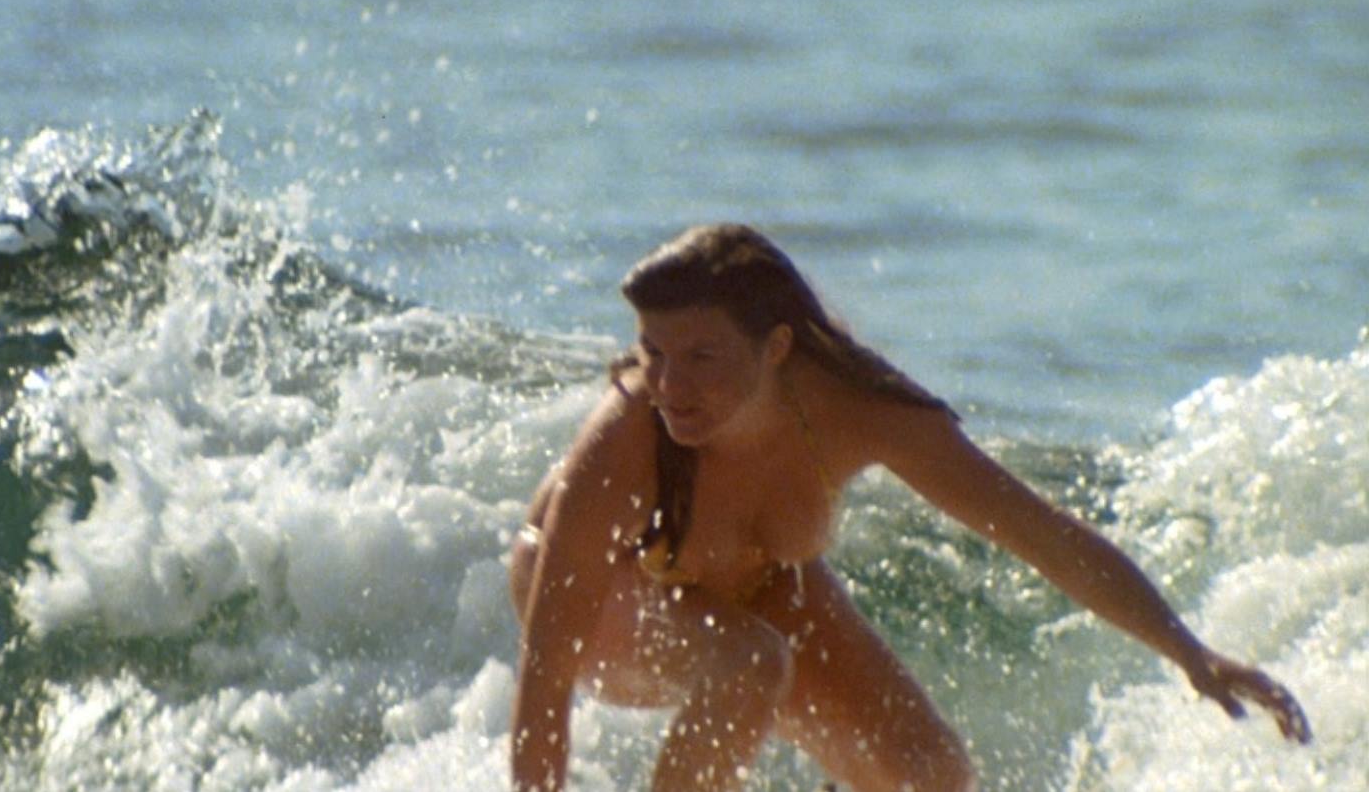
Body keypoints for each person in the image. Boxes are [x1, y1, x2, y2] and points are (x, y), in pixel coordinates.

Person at [507, 224, 1311, 792]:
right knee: (749, 664)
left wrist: (1187, 651)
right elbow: (545, 672)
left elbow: (1041, 534)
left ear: (777, 347)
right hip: (609, 596)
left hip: (754, 585)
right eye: (652, 352)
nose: (669, 385)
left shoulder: (863, 411)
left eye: (701, 356)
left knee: (932, 774)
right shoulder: (628, 437)